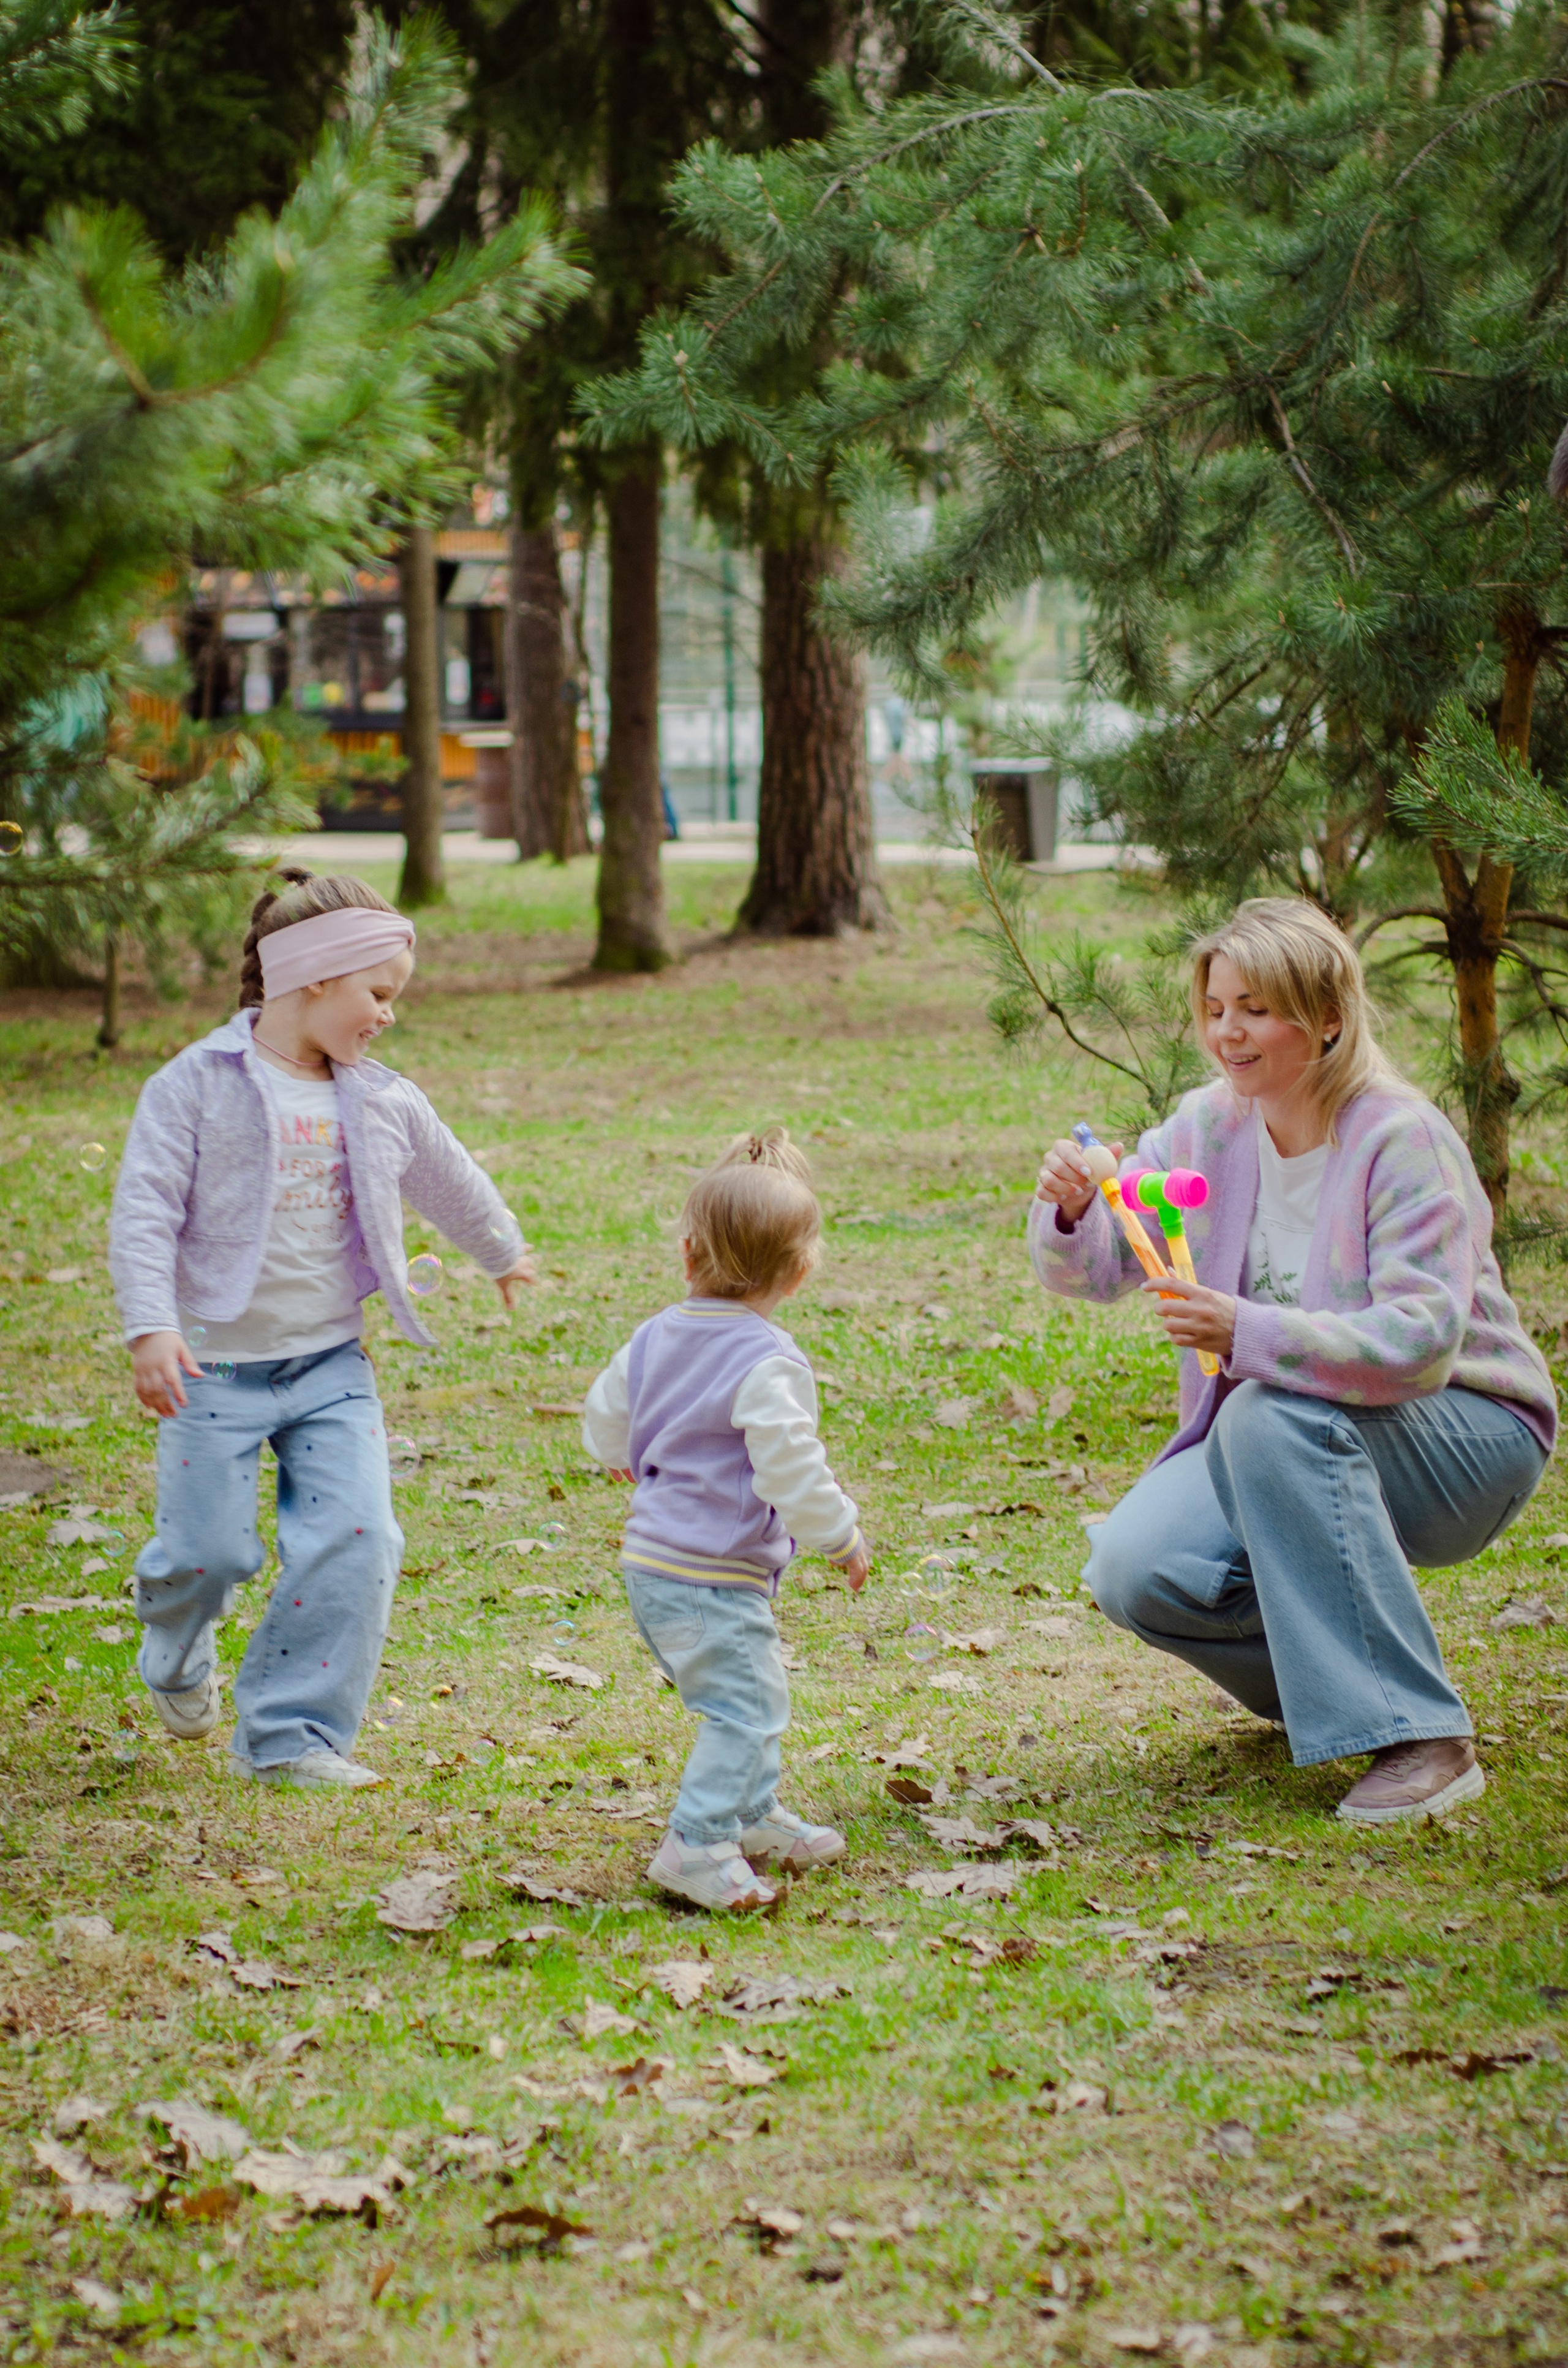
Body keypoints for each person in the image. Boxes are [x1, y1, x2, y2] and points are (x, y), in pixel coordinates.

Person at [1032, 897, 1555, 1825]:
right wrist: (1078, 1206)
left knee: (1266, 1410)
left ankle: (1423, 1735)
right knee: (1133, 1568)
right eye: (1218, 1006)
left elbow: (1423, 1341)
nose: (1230, 1031)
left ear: (1326, 1019)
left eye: (1258, 1008)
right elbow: (1103, 1265)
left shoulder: (1402, 1139)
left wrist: (1248, 1332)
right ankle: (1336, 1690)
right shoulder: (1211, 1126)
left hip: (1468, 1432)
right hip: (1279, 1432)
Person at [109, 868, 535, 1788]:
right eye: (377, 994)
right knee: (208, 1555)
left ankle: (291, 1736)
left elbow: (448, 1177)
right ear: (312, 978)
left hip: (331, 1364)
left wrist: (502, 1250)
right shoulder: (195, 1086)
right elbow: (144, 1209)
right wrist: (151, 1327)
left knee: (361, 1538)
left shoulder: (378, 1096)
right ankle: (175, 1639)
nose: (387, 1015)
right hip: (211, 1369)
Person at [582, 1129, 870, 1911]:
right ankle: (698, 1841)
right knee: (743, 1707)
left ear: (686, 1256)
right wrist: (839, 1532)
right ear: (800, 1272)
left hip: (652, 1568)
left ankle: (751, 1814)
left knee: (749, 1694)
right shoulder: (767, 1359)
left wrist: (617, 1452)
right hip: (711, 1576)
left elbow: (605, 1413)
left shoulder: (652, 1336)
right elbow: (790, 1467)